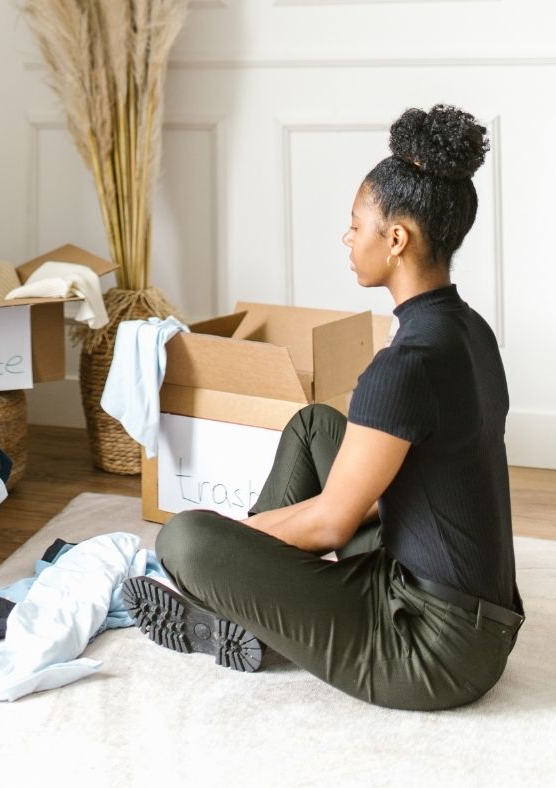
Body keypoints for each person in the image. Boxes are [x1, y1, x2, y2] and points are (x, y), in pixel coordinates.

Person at [123, 104, 525, 711]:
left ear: (396, 240)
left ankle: (227, 606)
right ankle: (246, 602)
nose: (347, 237)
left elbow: (332, 524)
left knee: (183, 540)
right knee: (315, 425)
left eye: (356, 224)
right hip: (463, 611)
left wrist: (231, 542)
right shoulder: (470, 332)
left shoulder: (403, 366)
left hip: (432, 653)